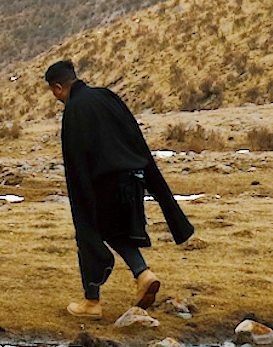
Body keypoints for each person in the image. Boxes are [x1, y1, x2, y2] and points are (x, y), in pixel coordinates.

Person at [46, 60, 193, 317]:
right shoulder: (106, 97)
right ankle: (143, 275)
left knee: (89, 232)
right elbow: (135, 136)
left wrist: (81, 200)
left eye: (53, 91)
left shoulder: (74, 110)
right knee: (115, 232)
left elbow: (76, 161)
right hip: (133, 177)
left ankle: (91, 302)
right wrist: (149, 178)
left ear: (58, 87)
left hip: (104, 183)